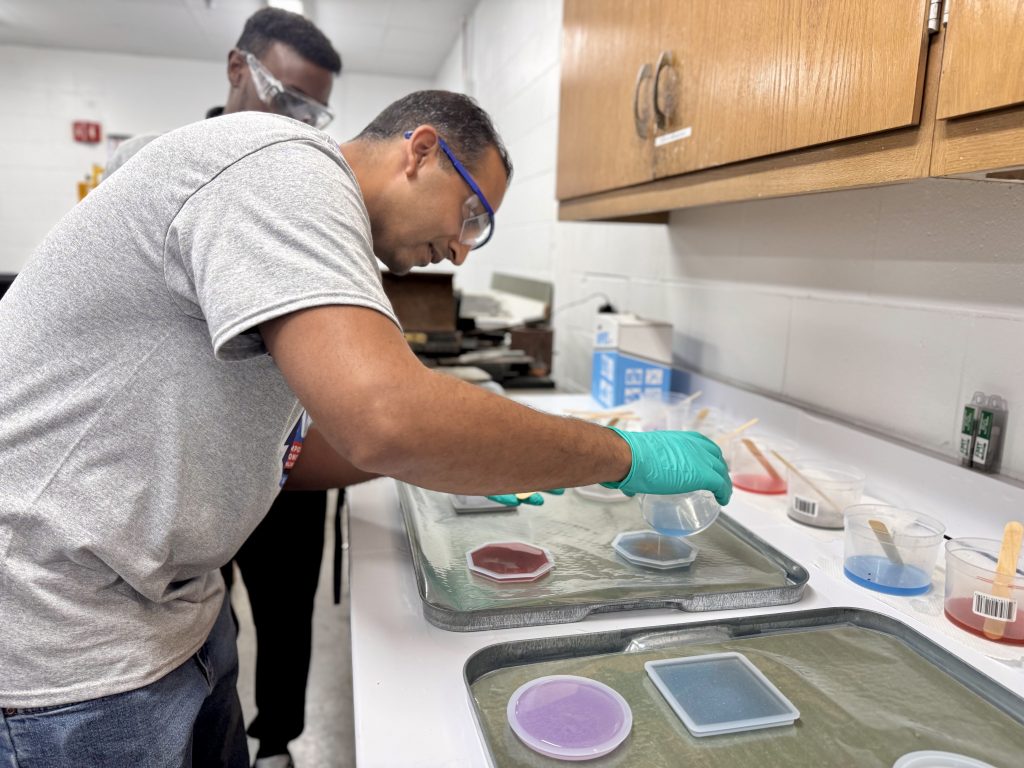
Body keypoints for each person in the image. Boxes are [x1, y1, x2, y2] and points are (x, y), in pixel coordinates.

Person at [0, 89, 732, 767]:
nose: (460, 250)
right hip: (63, 635)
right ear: (419, 150)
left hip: (168, 615)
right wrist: (621, 454)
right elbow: (386, 418)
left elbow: (296, 452)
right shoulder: (284, 170)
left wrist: (474, 458)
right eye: (472, 215)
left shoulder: (309, 213)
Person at [106, 10, 343, 768]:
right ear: (238, 67)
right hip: (198, 455)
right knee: (203, 612)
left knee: (285, 610)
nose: (296, 122)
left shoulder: (312, 180)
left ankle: (275, 741)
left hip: (288, 451)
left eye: (312, 110)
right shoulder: (156, 165)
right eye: (285, 95)